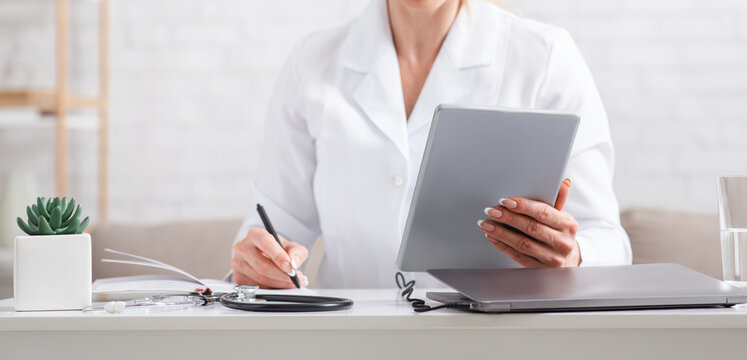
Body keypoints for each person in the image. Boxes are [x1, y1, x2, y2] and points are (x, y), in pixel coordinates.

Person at [230, 0, 632, 288]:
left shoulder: (545, 57)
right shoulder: (312, 63)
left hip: (495, 342)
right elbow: (273, 229)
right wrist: (257, 262)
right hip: (350, 341)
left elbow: (608, 239)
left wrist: (572, 255)